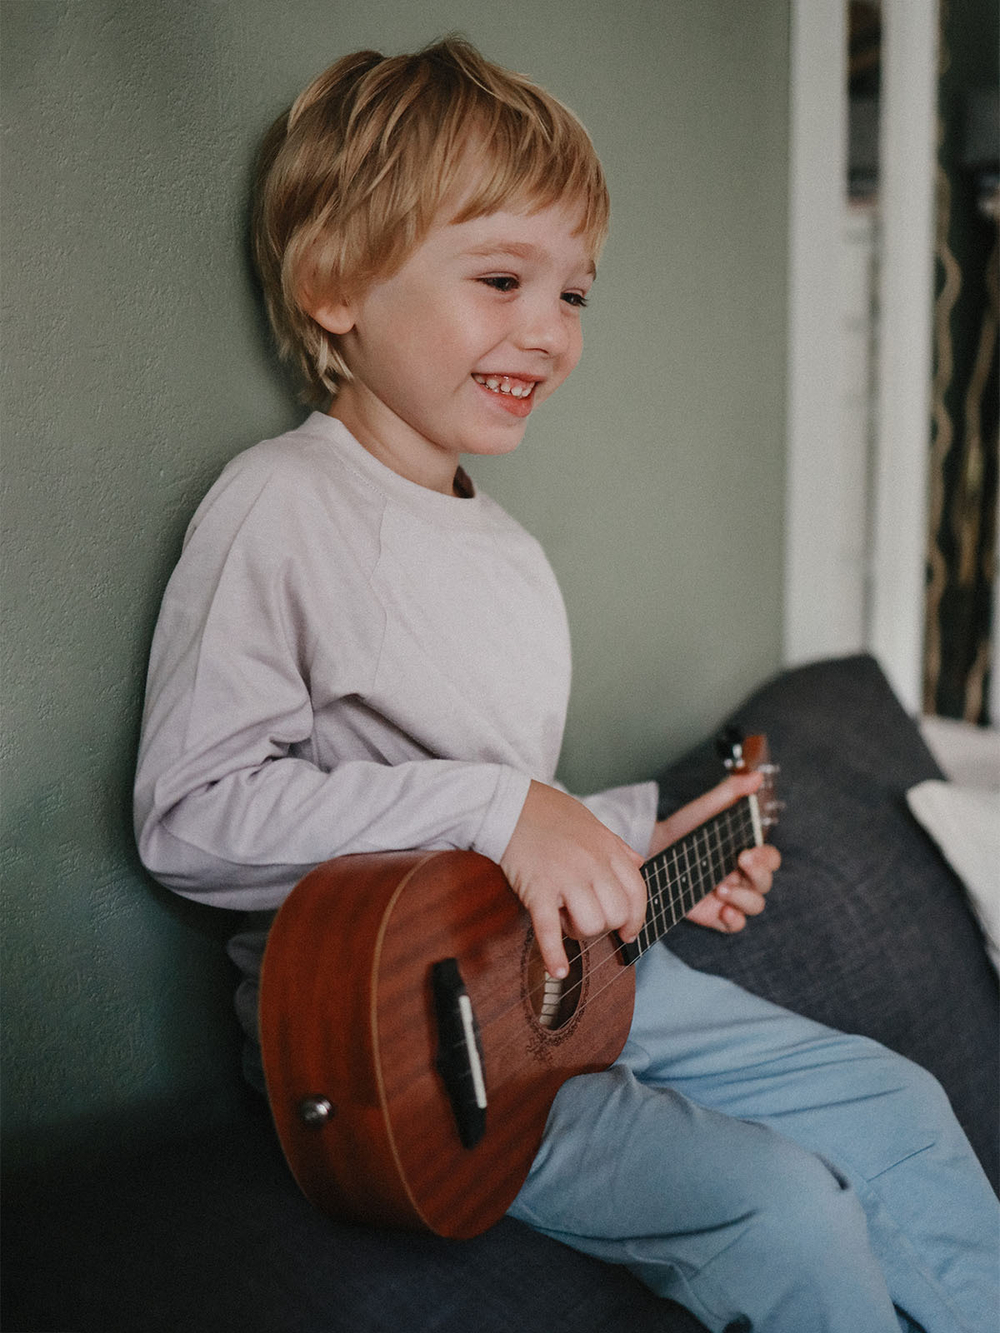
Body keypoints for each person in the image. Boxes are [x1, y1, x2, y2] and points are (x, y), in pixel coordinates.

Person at [134, 37, 999, 1333]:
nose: (550, 333)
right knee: (783, 1209)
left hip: (552, 978)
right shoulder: (283, 508)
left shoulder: (512, 559)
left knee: (900, 1106)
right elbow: (190, 817)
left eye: (574, 293)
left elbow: (503, 840)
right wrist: (502, 809)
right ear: (334, 285)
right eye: (502, 279)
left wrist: (637, 842)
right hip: (407, 1056)